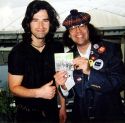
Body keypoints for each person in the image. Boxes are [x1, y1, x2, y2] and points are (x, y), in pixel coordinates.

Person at [54, 9, 125, 123]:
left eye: (82, 25)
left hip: (110, 115)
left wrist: (90, 72)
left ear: (89, 28)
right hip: (81, 116)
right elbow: (71, 93)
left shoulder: (110, 49)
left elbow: (120, 82)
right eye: (72, 28)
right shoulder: (68, 58)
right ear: (69, 35)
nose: (78, 31)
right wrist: (64, 87)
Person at [8, 0, 66, 123]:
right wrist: (39, 93)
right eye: (35, 20)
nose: (41, 26)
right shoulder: (18, 52)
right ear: (28, 23)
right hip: (27, 115)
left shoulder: (57, 47)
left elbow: (62, 79)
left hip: (52, 113)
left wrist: (63, 106)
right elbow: (13, 88)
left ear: (51, 23)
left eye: (45, 20)